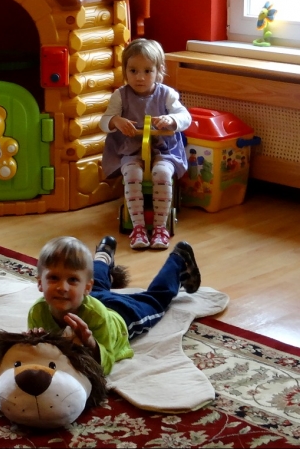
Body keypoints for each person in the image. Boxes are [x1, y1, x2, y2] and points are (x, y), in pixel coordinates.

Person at [28, 235, 202, 376]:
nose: (62, 288)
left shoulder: (96, 316)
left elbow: (106, 364)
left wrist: (91, 344)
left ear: (86, 288)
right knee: (97, 285)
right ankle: (103, 255)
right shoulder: (37, 311)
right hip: (90, 297)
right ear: (40, 283)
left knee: (155, 301)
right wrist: (34, 342)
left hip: (122, 313)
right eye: (53, 278)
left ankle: (179, 259)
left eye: (72, 280)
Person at [100, 38, 191, 250]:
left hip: (163, 150)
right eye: (133, 71)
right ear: (125, 71)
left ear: (159, 71)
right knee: (132, 175)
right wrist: (116, 121)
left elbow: (185, 117)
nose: (140, 77)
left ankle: (160, 227)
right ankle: (138, 227)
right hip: (132, 151)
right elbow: (104, 122)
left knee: (162, 174)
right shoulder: (120, 95)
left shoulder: (166, 94)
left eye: (147, 71)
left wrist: (171, 119)